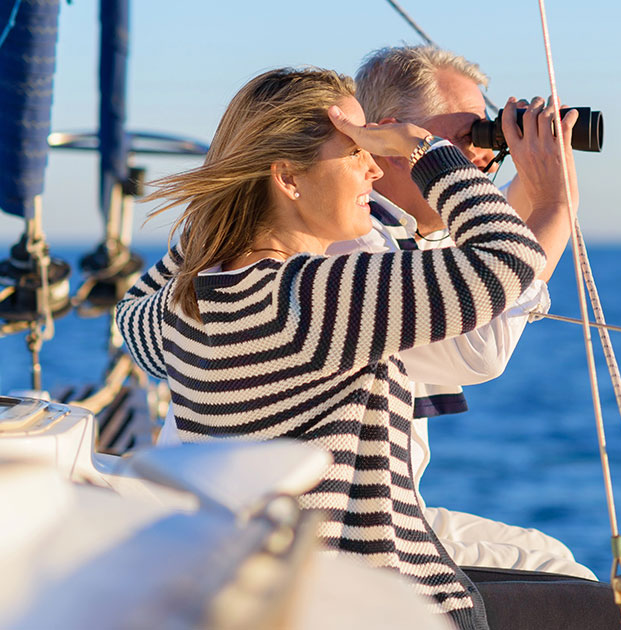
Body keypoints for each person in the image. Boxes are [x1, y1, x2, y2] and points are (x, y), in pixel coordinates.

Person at [116, 67, 569, 630]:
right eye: (358, 150)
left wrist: (219, 215)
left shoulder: (190, 305)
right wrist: (427, 148)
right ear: (288, 177)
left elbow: (130, 310)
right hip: (371, 605)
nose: (377, 167)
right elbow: (508, 261)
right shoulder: (318, 297)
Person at [343, 45, 592, 579]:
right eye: (461, 141)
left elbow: (486, 251)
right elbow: (481, 351)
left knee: (556, 560)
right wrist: (555, 205)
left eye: (487, 138)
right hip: (345, 530)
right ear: (391, 140)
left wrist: (528, 176)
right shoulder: (357, 246)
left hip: (378, 511)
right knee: (568, 583)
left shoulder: (409, 235)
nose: (481, 157)